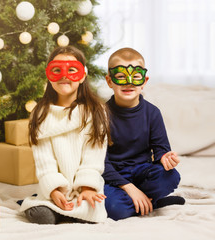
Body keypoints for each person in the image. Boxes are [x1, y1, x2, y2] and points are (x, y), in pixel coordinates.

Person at [19, 46, 111, 224]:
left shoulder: (96, 111)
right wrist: (54, 190)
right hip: (55, 190)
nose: (64, 76)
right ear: (48, 75)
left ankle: (76, 207)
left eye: (72, 70)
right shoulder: (40, 114)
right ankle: (55, 206)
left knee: (90, 212)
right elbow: (44, 161)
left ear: (82, 75)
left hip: (85, 189)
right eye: (57, 70)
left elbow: (94, 157)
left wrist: (87, 188)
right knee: (42, 216)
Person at [103, 47, 185, 221]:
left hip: (142, 171)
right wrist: (128, 187)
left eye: (136, 76)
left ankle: (140, 199)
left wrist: (165, 158)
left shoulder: (152, 113)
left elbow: (161, 148)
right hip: (113, 177)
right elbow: (99, 160)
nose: (129, 82)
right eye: (120, 77)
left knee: (170, 176)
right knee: (115, 209)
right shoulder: (100, 115)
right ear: (109, 81)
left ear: (144, 80)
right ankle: (151, 203)